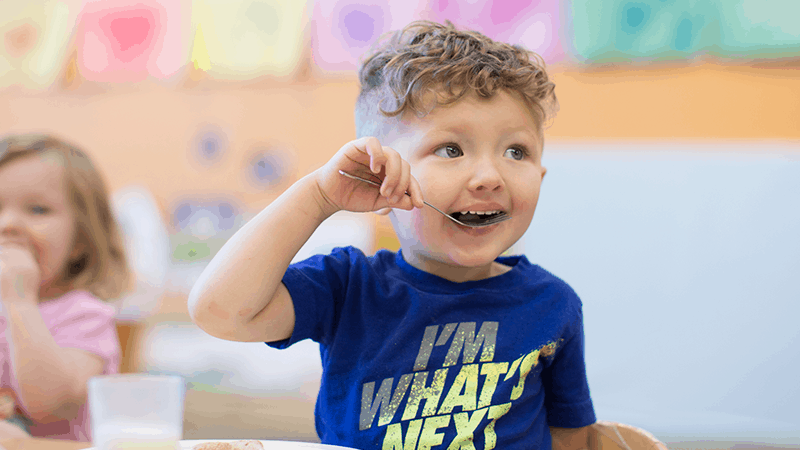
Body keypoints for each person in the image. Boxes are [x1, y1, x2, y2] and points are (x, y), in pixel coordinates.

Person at [189, 21, 595, 449]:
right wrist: (318, 197)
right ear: (381, 173)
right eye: (451, 149)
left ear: (541, 175)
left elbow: (571, 437)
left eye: (517, 151)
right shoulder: (347, 286)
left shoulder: (553, 305)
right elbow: (219, 311)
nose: (489, 176)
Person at [0, 134, 131, 441]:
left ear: (80, 241)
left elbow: (49, 405)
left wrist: (19, 301)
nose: (7, 224)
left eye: (38, 209)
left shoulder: (86, 317)